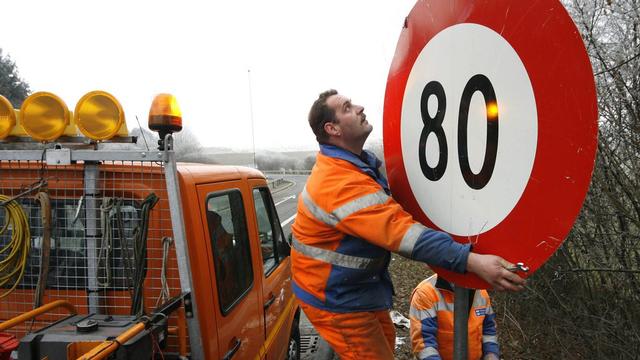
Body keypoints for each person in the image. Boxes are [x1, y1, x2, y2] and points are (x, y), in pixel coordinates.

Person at [291, 89, 524, 359]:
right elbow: (405, 234)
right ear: (332, 129)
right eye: (347, 107)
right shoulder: (340, 183)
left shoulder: (358, 165)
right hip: (335, 298)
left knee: (386, 344)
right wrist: (471, 261)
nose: (359, 107)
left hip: (360, 288)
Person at [410, 274, 499, 360]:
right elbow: (424, 343)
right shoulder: (425, 293)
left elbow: (489, 329)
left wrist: (491, 354)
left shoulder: (481, 292)